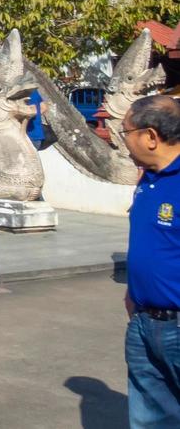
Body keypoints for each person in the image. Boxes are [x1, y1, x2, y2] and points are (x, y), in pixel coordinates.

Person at [121, 94, 180, 426]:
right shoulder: (148, 181)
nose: (124, 142)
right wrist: (133, 295)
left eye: (125, 132)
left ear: (151, 137)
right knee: (150, 418)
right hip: (144, 324)